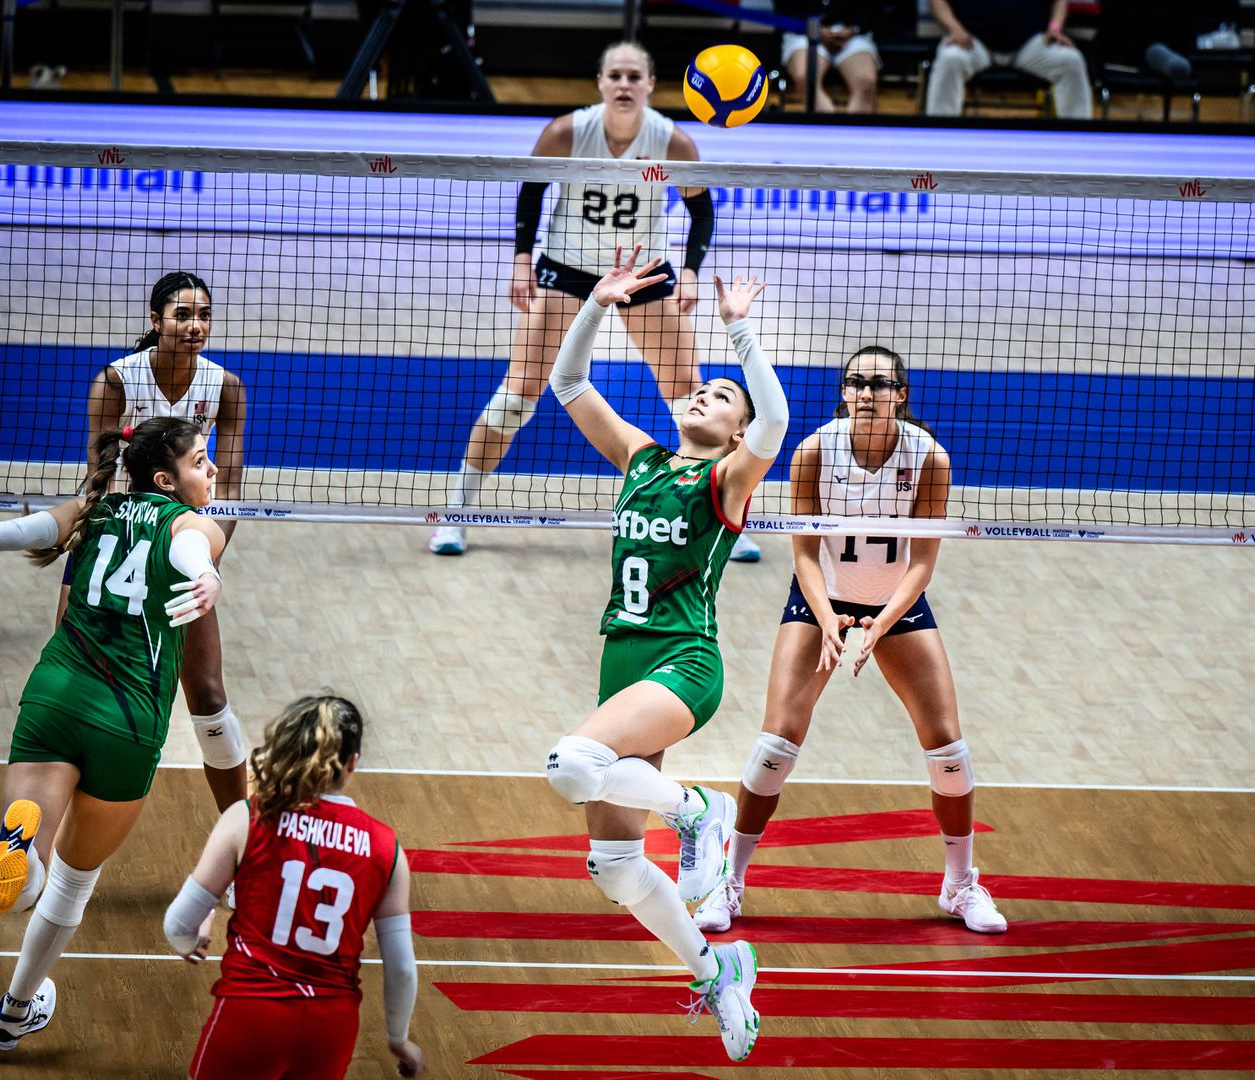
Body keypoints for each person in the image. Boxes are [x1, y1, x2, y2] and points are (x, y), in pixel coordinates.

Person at [0, 416, 227, 1052]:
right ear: (165, 478)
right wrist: (208, 576)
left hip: (54, 694)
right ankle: (12, 1012)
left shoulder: (95, 506)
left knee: (29, 862)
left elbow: (27, 530)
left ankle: (20, 846)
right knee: (74, 883)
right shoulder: (192, 524)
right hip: (126, 722)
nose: (212, 470)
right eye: (200, 461)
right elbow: (189, 551)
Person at [540, 245, 787, 1063]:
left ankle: (697, 810)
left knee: (572, 761)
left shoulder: (723, 484)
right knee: (612, 866)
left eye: (723, 399)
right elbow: (568, 385)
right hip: (622, 660)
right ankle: (719, 973)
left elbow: (777, 426)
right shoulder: (642, 460)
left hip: (684, 662)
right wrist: (597, 303)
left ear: (735, 435)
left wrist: (741, 336)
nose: (704, 394)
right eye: (702, 386)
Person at [694, 346, 1007, 935]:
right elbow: (805, 552)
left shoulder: (929, 460)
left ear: (901, 395)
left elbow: (922, 564)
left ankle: (960, 886)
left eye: (879, 384)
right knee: (776, 743)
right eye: (856, 383)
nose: (866, 393)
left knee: (948, 751)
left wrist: (879, 627)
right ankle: (728, 884)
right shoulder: (814, 450)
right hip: (821, 598)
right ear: (844, 393)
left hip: (897, 602)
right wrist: (830, 620)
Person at [429, 40, 762, 563]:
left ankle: (720, 518)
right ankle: (455, 513)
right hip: (568, 270)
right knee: (517, 396)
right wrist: (522, 260)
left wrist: (692, 272)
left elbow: (701, 213)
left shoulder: (672, 141)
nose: (625, 84)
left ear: (651, 84)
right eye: (616, 75)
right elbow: (532, 193)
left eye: (635, 76)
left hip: (646, 271)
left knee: (689, 402)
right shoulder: (567, 131)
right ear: (601, 83)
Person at [60, 272, 249, 817]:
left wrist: (202, 550)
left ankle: (243, 842)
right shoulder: (117, 381)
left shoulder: (225, 386)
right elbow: (97, 479)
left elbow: (229, 486)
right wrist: (92, 545)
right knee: (76, 679)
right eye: (183, 315)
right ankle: (51, 833)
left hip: (179, 541)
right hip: (112, 538)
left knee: (208, 696)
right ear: (155, 320)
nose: (195, 326)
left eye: (204, 316)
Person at [164, 694, 425, 1080]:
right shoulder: (387, 848)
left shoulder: (248, 818)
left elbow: (177, 925)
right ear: (352, 764)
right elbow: (401, 968)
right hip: (330, 1027)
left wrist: (192, 940)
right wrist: (397, 1039)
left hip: (251, 1013)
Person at [925, 0, 1094, 119]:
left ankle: (1080, 140)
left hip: (1031, 42)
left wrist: (1055, 27)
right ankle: (941, 136)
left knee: (1071, 61)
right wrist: (954, 28)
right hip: (973, 41)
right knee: (950, 58)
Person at [773, 0, 884, 114]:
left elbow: (871, 9)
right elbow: (785, 9)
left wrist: (853, 29)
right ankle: (825, 127)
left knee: (866, 81)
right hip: (802, 31)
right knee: (805, 77)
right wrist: (814, 29)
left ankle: (856, 129)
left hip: (852, 33)